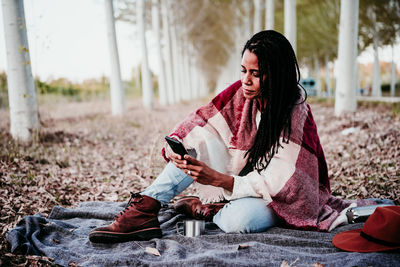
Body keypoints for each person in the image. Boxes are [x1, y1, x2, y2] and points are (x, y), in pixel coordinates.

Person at [88, 30, 378, 243]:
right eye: (243, 71)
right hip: (241, 176)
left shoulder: (295, 110)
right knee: (192, 149)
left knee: (241, 221)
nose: (246, 80)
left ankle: (207, 209)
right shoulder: (241, 94)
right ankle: (145, 209)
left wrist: (217, 179)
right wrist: (182, 146)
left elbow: (284, 183)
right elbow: (203, 122)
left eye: (256, 73)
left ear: (276, 75)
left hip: (280, 197)